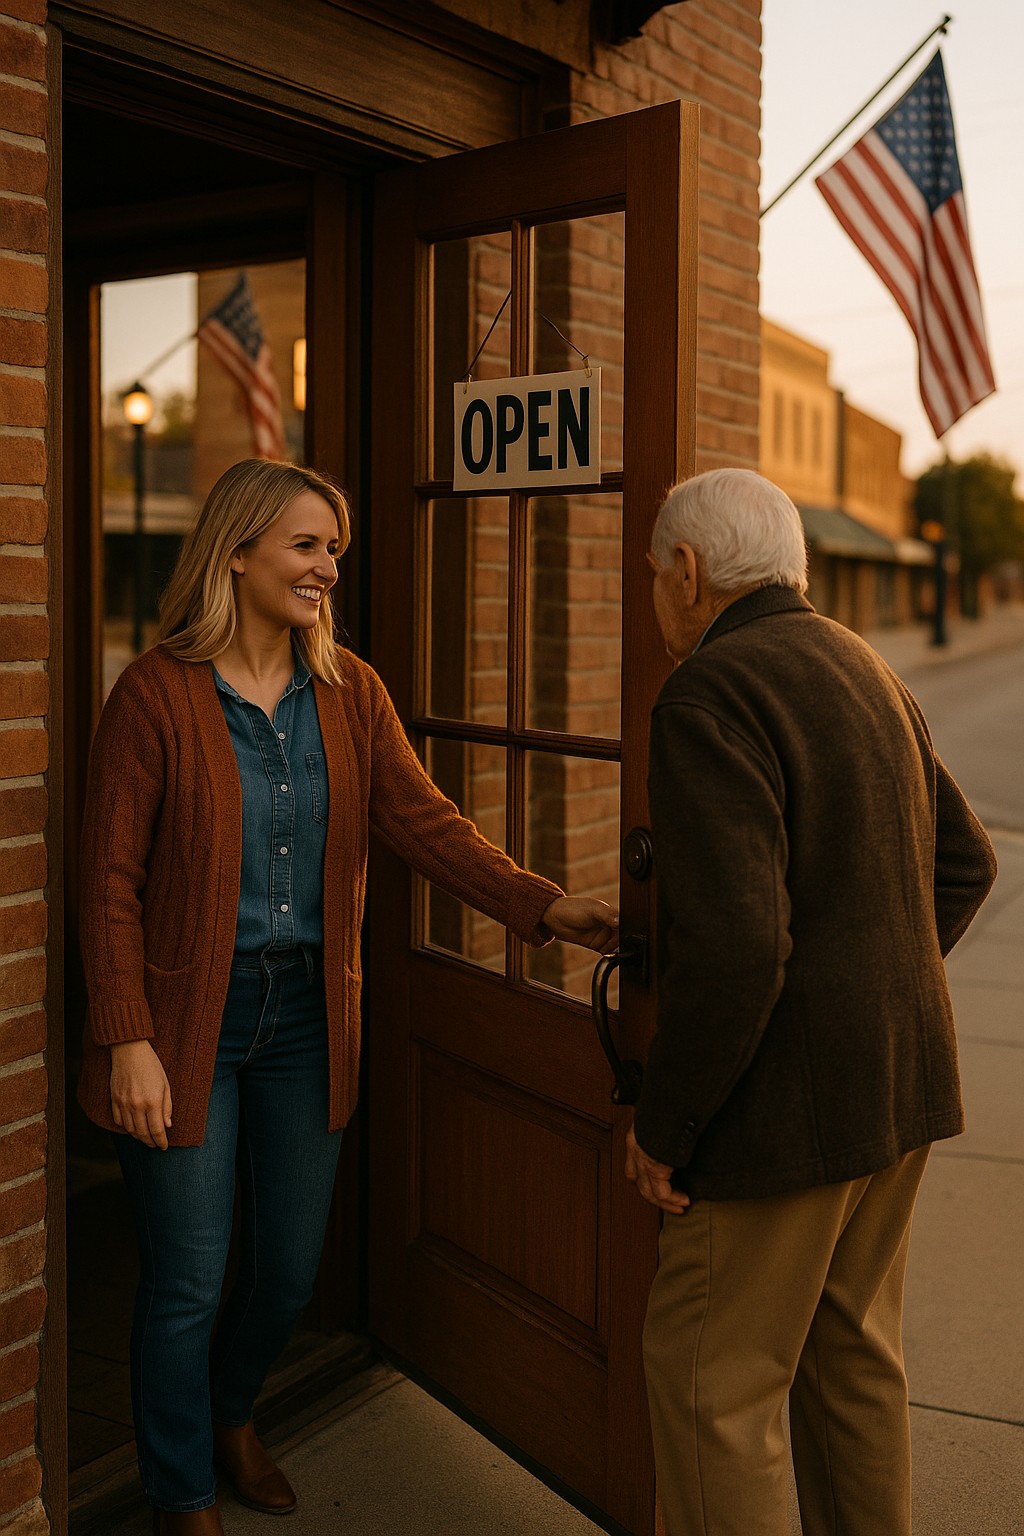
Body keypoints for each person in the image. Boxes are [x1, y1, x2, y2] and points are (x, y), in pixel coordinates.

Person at [77, 458, 618, 1536]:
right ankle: (181, 1485)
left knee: (284, 1271)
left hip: (308, 1022)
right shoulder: (155, 695)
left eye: (334, 549)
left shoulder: (348, 691)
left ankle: (234, 1415)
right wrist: (128, 1036)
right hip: (190, 1019)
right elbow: (108, 883)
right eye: (306, 546)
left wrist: (537, 905)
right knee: (187, 1280)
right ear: (236, 551)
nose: (328, 567)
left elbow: (422, 824)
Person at [625, 468, 996, 1536]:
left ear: (688, 573)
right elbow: (963, 866)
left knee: (713, 1396)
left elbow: (742, 950)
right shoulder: (866, 665)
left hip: (775, 1128)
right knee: (852, 1371)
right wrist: (867, 996)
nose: (656, 593)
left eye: (655, 574)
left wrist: (664, 1127)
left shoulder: (709, 689)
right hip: (902, 1094)